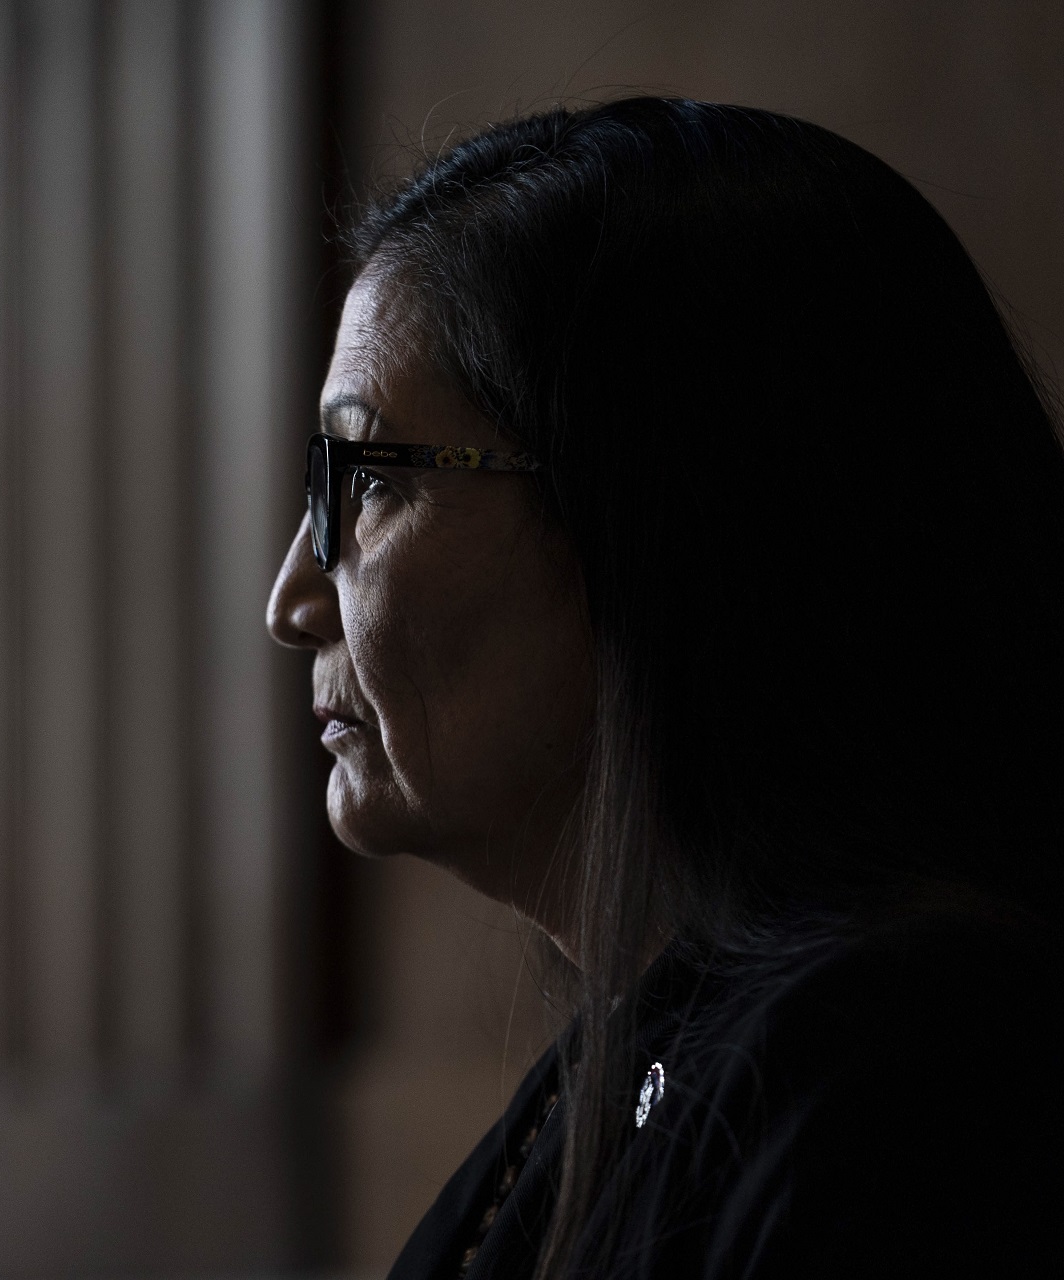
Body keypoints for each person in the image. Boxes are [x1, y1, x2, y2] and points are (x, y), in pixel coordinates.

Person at [267, 97, 1064, 1279]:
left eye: (371, 481)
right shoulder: (652, 1054)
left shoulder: (918, 1087)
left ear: (659, 515)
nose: (292, 599)